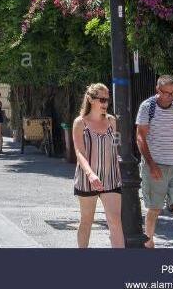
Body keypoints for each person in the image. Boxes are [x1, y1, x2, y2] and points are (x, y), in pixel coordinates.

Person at [135, 75, 173, 248]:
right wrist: (151, 165)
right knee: (154, 208)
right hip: (156, 165)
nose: (170, 96)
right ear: (157, 90)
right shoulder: (148, 107)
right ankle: (149, 242)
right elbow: (140, 137)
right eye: (166, 93)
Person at [72, 83, 124, 248]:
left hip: (111, 178)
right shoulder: (80, 123)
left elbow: (117, 147)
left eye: (107, 100)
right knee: (87, 221)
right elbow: (79, 152)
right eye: (102, 99)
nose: (105, 103)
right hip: (88, 179)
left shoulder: (112, 121)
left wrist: (119, 172)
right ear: (90, 99)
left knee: (115, 221)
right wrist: (90, 174)